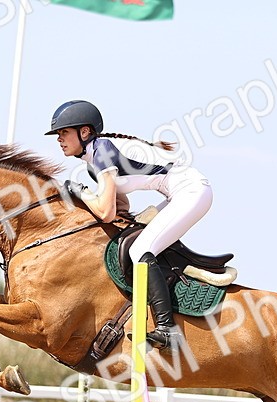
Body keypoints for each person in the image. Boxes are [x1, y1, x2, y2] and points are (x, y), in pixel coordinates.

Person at [46, 99, 213, 352]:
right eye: (58, 134)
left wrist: (79, 191)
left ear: (85, 132)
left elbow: (106, 211)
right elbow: (119, 208)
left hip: (190, 190)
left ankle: (168, 329)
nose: (60, 139)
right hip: (173, 194)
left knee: (140, 251)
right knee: (138, 237)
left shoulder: (102, 150)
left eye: (64, 132)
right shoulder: (93, 162)